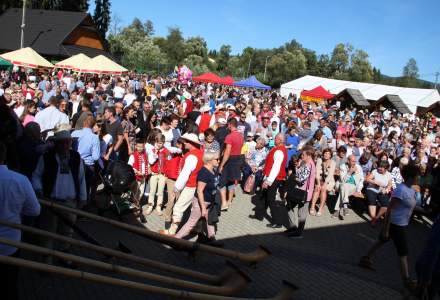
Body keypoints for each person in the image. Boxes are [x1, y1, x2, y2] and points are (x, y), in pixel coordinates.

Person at [32, 123, 87, 264]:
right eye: (62, 142)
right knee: (48, 232)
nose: (66, 145)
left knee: (67, 232)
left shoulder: (75, 157)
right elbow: (37, 175)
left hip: (69, 202)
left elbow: (81, 178)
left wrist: (83, 197)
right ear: (56, 143)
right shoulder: (47, 157)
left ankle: (63, 258)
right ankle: (47, 261)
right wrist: (38, 190)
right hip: (51, 201)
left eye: (68, 142)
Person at [359, 164, 420, 290]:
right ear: (409, 177)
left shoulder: (412, 190)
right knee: (403, 252)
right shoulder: (401, 190)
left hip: (401, 224)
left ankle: (366, 258)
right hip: (396, 224)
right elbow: (390, 210)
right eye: (416, 177)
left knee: (382, 241)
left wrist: (426, 211)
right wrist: (386, 229)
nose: (417, 179)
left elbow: (411, 206)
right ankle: (406, 280)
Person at [0, 141, 41, 300]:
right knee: (9, 285)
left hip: (11, 242)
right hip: (11, 243)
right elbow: (35, 210)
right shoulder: (20, 180)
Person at [174, 150, 223, 247]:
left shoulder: (212, 170)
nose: (219, 161)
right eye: (217, 159)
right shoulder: (204, 173)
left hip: (210, 202)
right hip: (201, 203)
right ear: (209, 160)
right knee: (191, 223)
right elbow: (200, 191)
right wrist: (203, 208)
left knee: (210, 221)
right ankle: (176, 240)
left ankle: (212, 238)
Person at [159, 133, 203, 235]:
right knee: (196, 208)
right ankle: (196, 228)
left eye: (185, 141)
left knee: (178, 208)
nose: (184, 143)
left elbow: (185, 174)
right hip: (199, 185)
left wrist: (177, 187)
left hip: (191, 185)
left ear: (190, 143)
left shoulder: (191, 156)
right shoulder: (201, 153)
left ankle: (172, 232)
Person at [250, 134, 287, 227]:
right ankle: (259, 215)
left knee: (271, 200)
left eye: (275, 138)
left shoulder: (279, 151)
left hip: (274, 178)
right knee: (263, 197)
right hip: (271, 177)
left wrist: (268, 181)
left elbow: (276, 167)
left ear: (279, 140)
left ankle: (277, 222)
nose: (274, 140)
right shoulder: (278, 148)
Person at [285, 146, 316, 238]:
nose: (301, 156)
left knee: (301, 213)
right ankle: (293, 227)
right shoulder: (305, 163)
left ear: (309, 155)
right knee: (289, 207)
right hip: (299, 190)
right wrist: (298, 168)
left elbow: (301, 179)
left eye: (303, 155)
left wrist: (292, 176)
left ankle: (299, 233)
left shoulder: (309, 165)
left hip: (303, 193)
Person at [71, 115, 100, 206]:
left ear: (84, 123)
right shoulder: (94, 137)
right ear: (93, 125)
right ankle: (83, 208)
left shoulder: (74, 133)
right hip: (88, 166)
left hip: (74, 163)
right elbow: (96, 157)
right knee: (86, 187)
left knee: (74, 185)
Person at [218, 118, 244, 211]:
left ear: (229, 125)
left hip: (230, 160)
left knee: (222, 182)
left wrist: (221, 165)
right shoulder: (241, 136)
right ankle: (229, 201)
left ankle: (224, 202)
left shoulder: (229, 136)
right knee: (232, 181)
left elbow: (227, 153)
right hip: (237, 159)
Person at [332, 154, 364, 219]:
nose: (354, 163)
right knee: (344, 185)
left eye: (355, 161)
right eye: (352, 161)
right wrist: (349, 172)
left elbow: (361, 180)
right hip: (341, 184)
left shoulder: (358, 167)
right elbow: (343, 180)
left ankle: (337, 210)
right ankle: (345, 205)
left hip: (353, 186)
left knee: (343, 191)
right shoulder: (342, 166)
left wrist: (358, 190)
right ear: (348, 161)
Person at [145, 133, 169, 216]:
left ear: (163, 143)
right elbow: (150, 161)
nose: (159, 144)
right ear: (155, 142)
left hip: (162, 174)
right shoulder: (152, 150)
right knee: (152, 191)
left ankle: (159, 207)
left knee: (160, 192)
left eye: (161, 143)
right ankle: (150, 206)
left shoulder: (166, 151)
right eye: (158, 142)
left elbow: (167, 163)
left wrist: (166, 175)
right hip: (154, 174)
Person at [365, 161, 393, 226]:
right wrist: (375, 182)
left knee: (386, 205)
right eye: (379, 166)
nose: (379, 168)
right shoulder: (375, 171)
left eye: (382, 167)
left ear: (386, 169)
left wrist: (386, 190)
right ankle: (373, 218)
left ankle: (376, 218)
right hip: (372, 189)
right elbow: (367, 179)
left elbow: (389, 185)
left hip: (382, 191)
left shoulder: (389, 174)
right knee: (372, 201)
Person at [310, 148, 336, 216]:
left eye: (328, 154)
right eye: (325, 153)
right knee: (317, 188)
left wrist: (325, 184)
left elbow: (330, 175)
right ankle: (312, 207)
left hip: (329, 181)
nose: (326, 155)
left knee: (323, 189)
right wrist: (318, 183)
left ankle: (320, 208)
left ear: (330, 155)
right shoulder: (319, 160)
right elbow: (317, 172)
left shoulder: (333, 162)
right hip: (319, 179)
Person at [128, 140, 149, 208]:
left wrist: (148, 170)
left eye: (141, 147)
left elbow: (147, 164)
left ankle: (137, 202)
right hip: (136, 177)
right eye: (138, 146)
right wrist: (136, 171)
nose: (140, 148)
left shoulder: (145, 155)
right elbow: (129, 166)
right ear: (136, 146)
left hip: (143, 176)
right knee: (136, 191)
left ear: (144, 147)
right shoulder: (133, 155)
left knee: (141, 191)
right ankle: (134, 203)